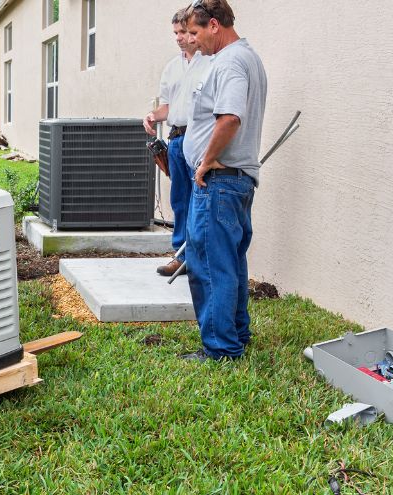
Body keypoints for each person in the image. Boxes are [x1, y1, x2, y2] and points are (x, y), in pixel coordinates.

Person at [179, 0, 267, 362]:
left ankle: (219, 348)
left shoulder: (231, 61)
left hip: (220, 180)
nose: (193, 42)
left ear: (214, 25)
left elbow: (230, 117)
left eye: (196, 33)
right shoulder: (248, 58)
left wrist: (207, 161)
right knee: (229, 262)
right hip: (235, 180)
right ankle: (237, 334)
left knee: (210, 265)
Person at [144, 8, 213, 277]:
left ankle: (199, 258)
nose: (180, 38)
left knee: (201, 200)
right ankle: (180, 256)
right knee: (180, 201)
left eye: (184, 32)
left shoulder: (210, 62)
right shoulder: (172, 67)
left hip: (199, 139)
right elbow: (168, 108)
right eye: (176, 33)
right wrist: (152, 116)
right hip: (175, 141)